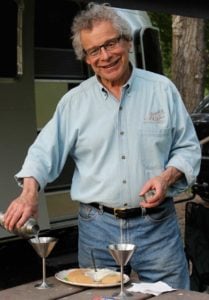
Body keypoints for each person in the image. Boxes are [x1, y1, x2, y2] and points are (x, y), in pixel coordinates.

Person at [4, 2, 201, 289]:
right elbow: (44, 150)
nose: (105, 56)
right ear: (85, 58)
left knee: (173, 297)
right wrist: (29, 192)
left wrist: (167, 176)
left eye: (110, 43)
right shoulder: (75, 102)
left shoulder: (162, 90)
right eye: (94, 50)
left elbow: (188, 148)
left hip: (156, 225)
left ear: (127, 42)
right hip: (98, 226)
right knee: (97, 299)